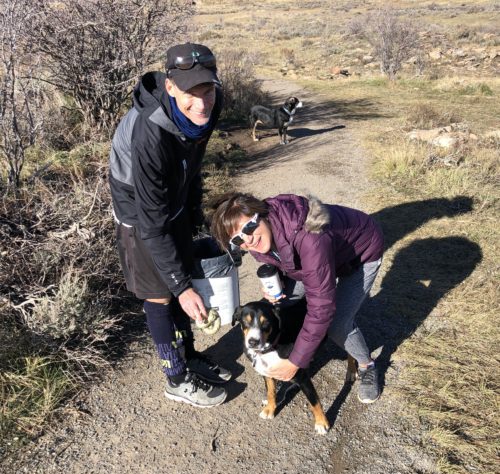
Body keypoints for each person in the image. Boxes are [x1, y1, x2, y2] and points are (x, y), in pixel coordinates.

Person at [108, 42, 231, 408]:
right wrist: (179, 287)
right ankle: (175, 377)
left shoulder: (210, 106)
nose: (201, 102)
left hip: (171, 197)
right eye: (191, 92)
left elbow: (193, 164)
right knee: (161, 291)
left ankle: (189, 355)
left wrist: (193, 216)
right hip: (137, 208)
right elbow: (151, 222)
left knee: (183, 272)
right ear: (171, 87)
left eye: (207, 89)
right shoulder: (149, 133)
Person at [210, 192, 384, 403]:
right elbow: (284, 259)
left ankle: (367, 365)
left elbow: (321, 307)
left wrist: (296, 362)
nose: (248, 239)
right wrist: (279, 283)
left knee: (337, 322)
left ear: (261, 214)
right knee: (279, 302)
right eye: (237, 239)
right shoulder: (259, 240)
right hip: (319, 260)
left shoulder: (309, 237)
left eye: (248, 227)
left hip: (360, 252)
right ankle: (289, 348)